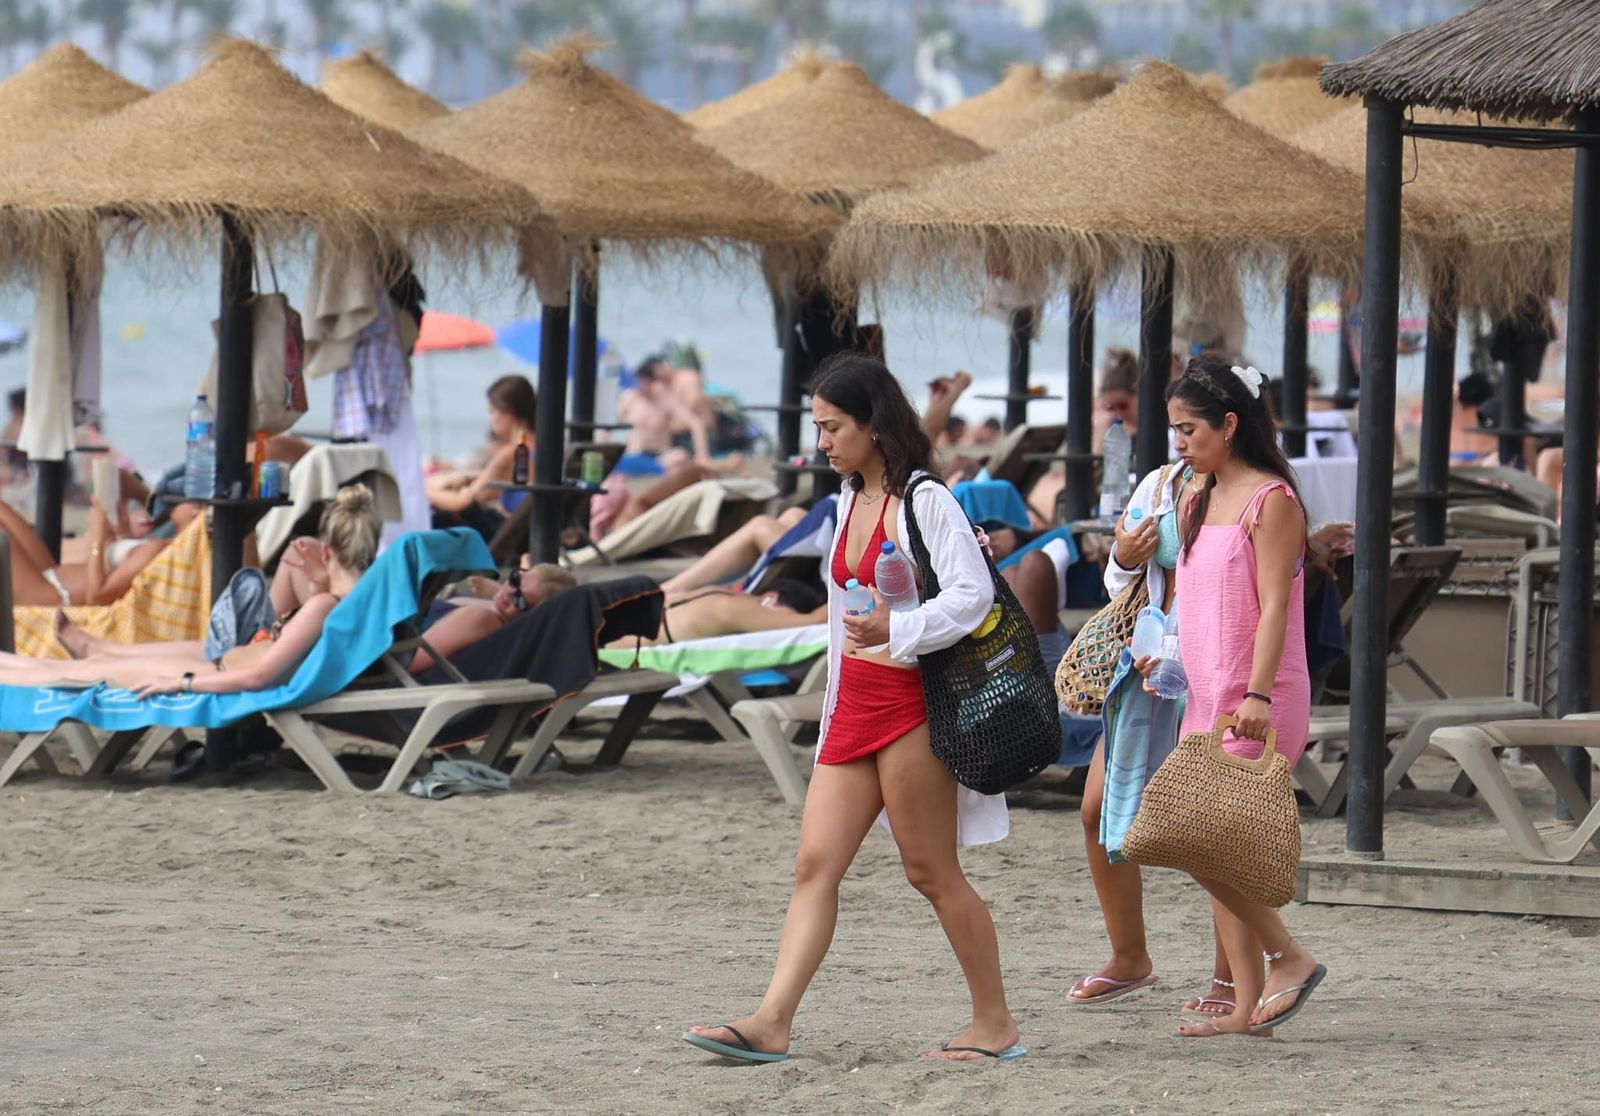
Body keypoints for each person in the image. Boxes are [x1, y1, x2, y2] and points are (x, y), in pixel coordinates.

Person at [684, 352, 1022, 1064]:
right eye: (818, 427)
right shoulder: (847, 498)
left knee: (930, 872)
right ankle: (771, 1021)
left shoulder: (925, 499)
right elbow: (847, 614)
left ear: (873, 424)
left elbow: (974, 596)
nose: (822, 442)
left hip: (914, 704)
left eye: (833, 427)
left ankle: (994, 1022)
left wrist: (901, 628)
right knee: (815, 866)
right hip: (855, 703)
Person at [1135, 355, 1323, 1038]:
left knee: (1202, 840)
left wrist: (1258, 695)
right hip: (1206, 694)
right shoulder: (1196, 500)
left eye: (1189, 429)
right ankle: (1245, 1007)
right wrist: (1169, 660)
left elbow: (1274, 609)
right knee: (1205, 844)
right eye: (1175, 430)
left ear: (1231, 425)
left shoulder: (1273, 501)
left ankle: (1288, 955)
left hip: (1258, 696)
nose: (1179, 443)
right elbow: (1195, 602)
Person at [11, 486, 382, 696]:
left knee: (88, 672)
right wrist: (319, 584)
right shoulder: (359, 605)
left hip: (215, 672)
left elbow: (257, 677)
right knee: (93, 662)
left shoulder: (324, 607)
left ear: (327, 552)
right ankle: (93, 646)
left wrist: (182, 683)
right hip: (223, 660)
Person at [426, 375, 536, 539]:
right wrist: (468, 476)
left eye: (492, 412)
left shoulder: (513, 452)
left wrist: (420, 489)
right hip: (522, 532)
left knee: (436, 518)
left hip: (502, 535)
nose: (490, 420)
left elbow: (464, 502)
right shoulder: (538, 445)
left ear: (508, 413)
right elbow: (506, 479)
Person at [617, 356, 711, 469]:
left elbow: (696, 424)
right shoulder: (629, 398)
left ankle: (653, 467)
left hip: (660, 454)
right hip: (635, 452)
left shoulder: (665, 400)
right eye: (638, 382)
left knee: (681, 456)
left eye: (644, 382)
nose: (640, 386)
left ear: (652, 382)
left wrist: (702, 456)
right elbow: (610, 424)